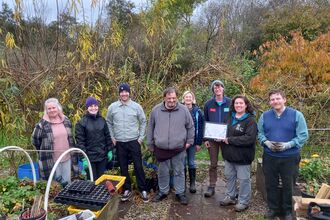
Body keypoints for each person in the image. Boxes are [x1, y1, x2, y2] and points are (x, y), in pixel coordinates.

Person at [258, 90, 308, 220]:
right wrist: (266, 142)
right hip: (270, 156)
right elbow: (260, 133)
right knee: (270, 184)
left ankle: (287, 211)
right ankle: (273, 209)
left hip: (289, 157)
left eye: (278, 98)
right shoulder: (264, 116)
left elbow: (303, 135)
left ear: (284, 99)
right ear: (270, 102)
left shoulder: (296, 115)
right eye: (272, 99)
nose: (275, 101)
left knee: (288, 184)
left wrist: (289, 144)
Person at [147, 87, 194, 205]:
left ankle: (180, 193)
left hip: (178, 148)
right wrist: (150, 143)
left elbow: (190, 126)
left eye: (174, 98)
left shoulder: (183, 110)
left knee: (179, 171)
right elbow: (150, 128)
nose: (172, 100)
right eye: (169, 98)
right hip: (161, 148)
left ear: (177, 98)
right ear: (164, 98)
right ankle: (163, 191)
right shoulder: (156, 110)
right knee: (162, 171)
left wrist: (189, 141)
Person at [106, 83, 149, 202]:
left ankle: (143, 189)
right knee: (123, 166)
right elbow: (108, 122)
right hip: (119, 142)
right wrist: (112, 137)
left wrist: (140, 138)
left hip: (134, 141)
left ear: (129, 93)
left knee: (138, 166)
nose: (124, 94)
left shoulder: (136, 107)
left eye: (126, 92)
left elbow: (143, 121)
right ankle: (127, 188)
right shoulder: (112, 107)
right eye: (122, 92)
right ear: (119, 93)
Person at [218, 95, 257, 212]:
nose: (238, 105)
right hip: (229, 156)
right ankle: (231, 196)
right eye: (236, 103)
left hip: (243, 157)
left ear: (246, 105)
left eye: (241, 103)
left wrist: (230, 140)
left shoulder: (251, 120)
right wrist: (218, 136)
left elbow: (249, 139)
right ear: (233, 105)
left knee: (244, 179)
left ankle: (244, 201)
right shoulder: (229, 117)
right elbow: (223, 132)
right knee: (230, 177)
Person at [32, 98, 78, 185]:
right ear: (46, 111)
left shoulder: (66, 120)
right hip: (51, 160)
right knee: (55, 184)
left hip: (66, 157)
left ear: (58, 108)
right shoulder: (42, 124)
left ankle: (65, 198)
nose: (52, 110)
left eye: (54, 107)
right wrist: (43, 150)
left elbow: (70, 138)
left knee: (67, 182)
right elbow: (35, 140)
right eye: (49, 108)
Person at [203, 80, 231, 197]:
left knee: (229, 163)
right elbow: (205, 121)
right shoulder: (208, 104)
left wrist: (230, 137)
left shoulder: (231, 103)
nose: (217, 89)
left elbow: (235, 118)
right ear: (213, 90)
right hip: (212, 140)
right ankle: (212, 186)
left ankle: (231, 187)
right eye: (215, 87)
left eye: (219, 87)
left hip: (227, 139)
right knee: (213, 164)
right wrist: (205, 139)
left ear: (223, 88)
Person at [75, 97, 113, 180]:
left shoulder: (102, 120)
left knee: (102, 180)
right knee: (92, 181)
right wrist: (83, 158)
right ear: (87, 108)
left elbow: (107, 136)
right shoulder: (81, 123)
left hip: (102, 157)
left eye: (95, 105)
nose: (93, 108)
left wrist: (110, 150)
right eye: (90, 106)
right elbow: (80, 142)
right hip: (89, 158)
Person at [182, 91, 204, 193]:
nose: (188, 98)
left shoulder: (198, 111)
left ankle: (192, 184)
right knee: (181, 163)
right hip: (180, 141)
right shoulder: (179, 110)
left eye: (190, 97)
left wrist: (199, 142)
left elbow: (200, 127)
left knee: (191, 162)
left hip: (192, 141)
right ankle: (182, 184)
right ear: (183, 98)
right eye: (186, 97)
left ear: (193, 98)